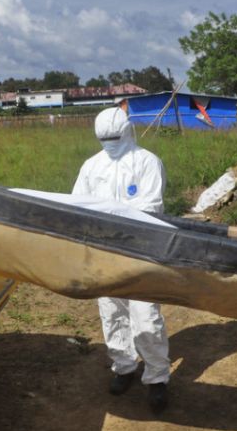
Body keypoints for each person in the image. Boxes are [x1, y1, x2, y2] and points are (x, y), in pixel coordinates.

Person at [72, 106, 170, 414]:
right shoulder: (91, 166)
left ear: (127, 131)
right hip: (103, 252)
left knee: (145, 315)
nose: (110, 143)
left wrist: (109, 213)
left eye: (114, 137)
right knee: (111, 311)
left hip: (140, 251)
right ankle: (124, 366)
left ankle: (157, 378)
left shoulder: (147, 162)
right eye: (105, 139)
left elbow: (151, 207)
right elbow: (78, 203)